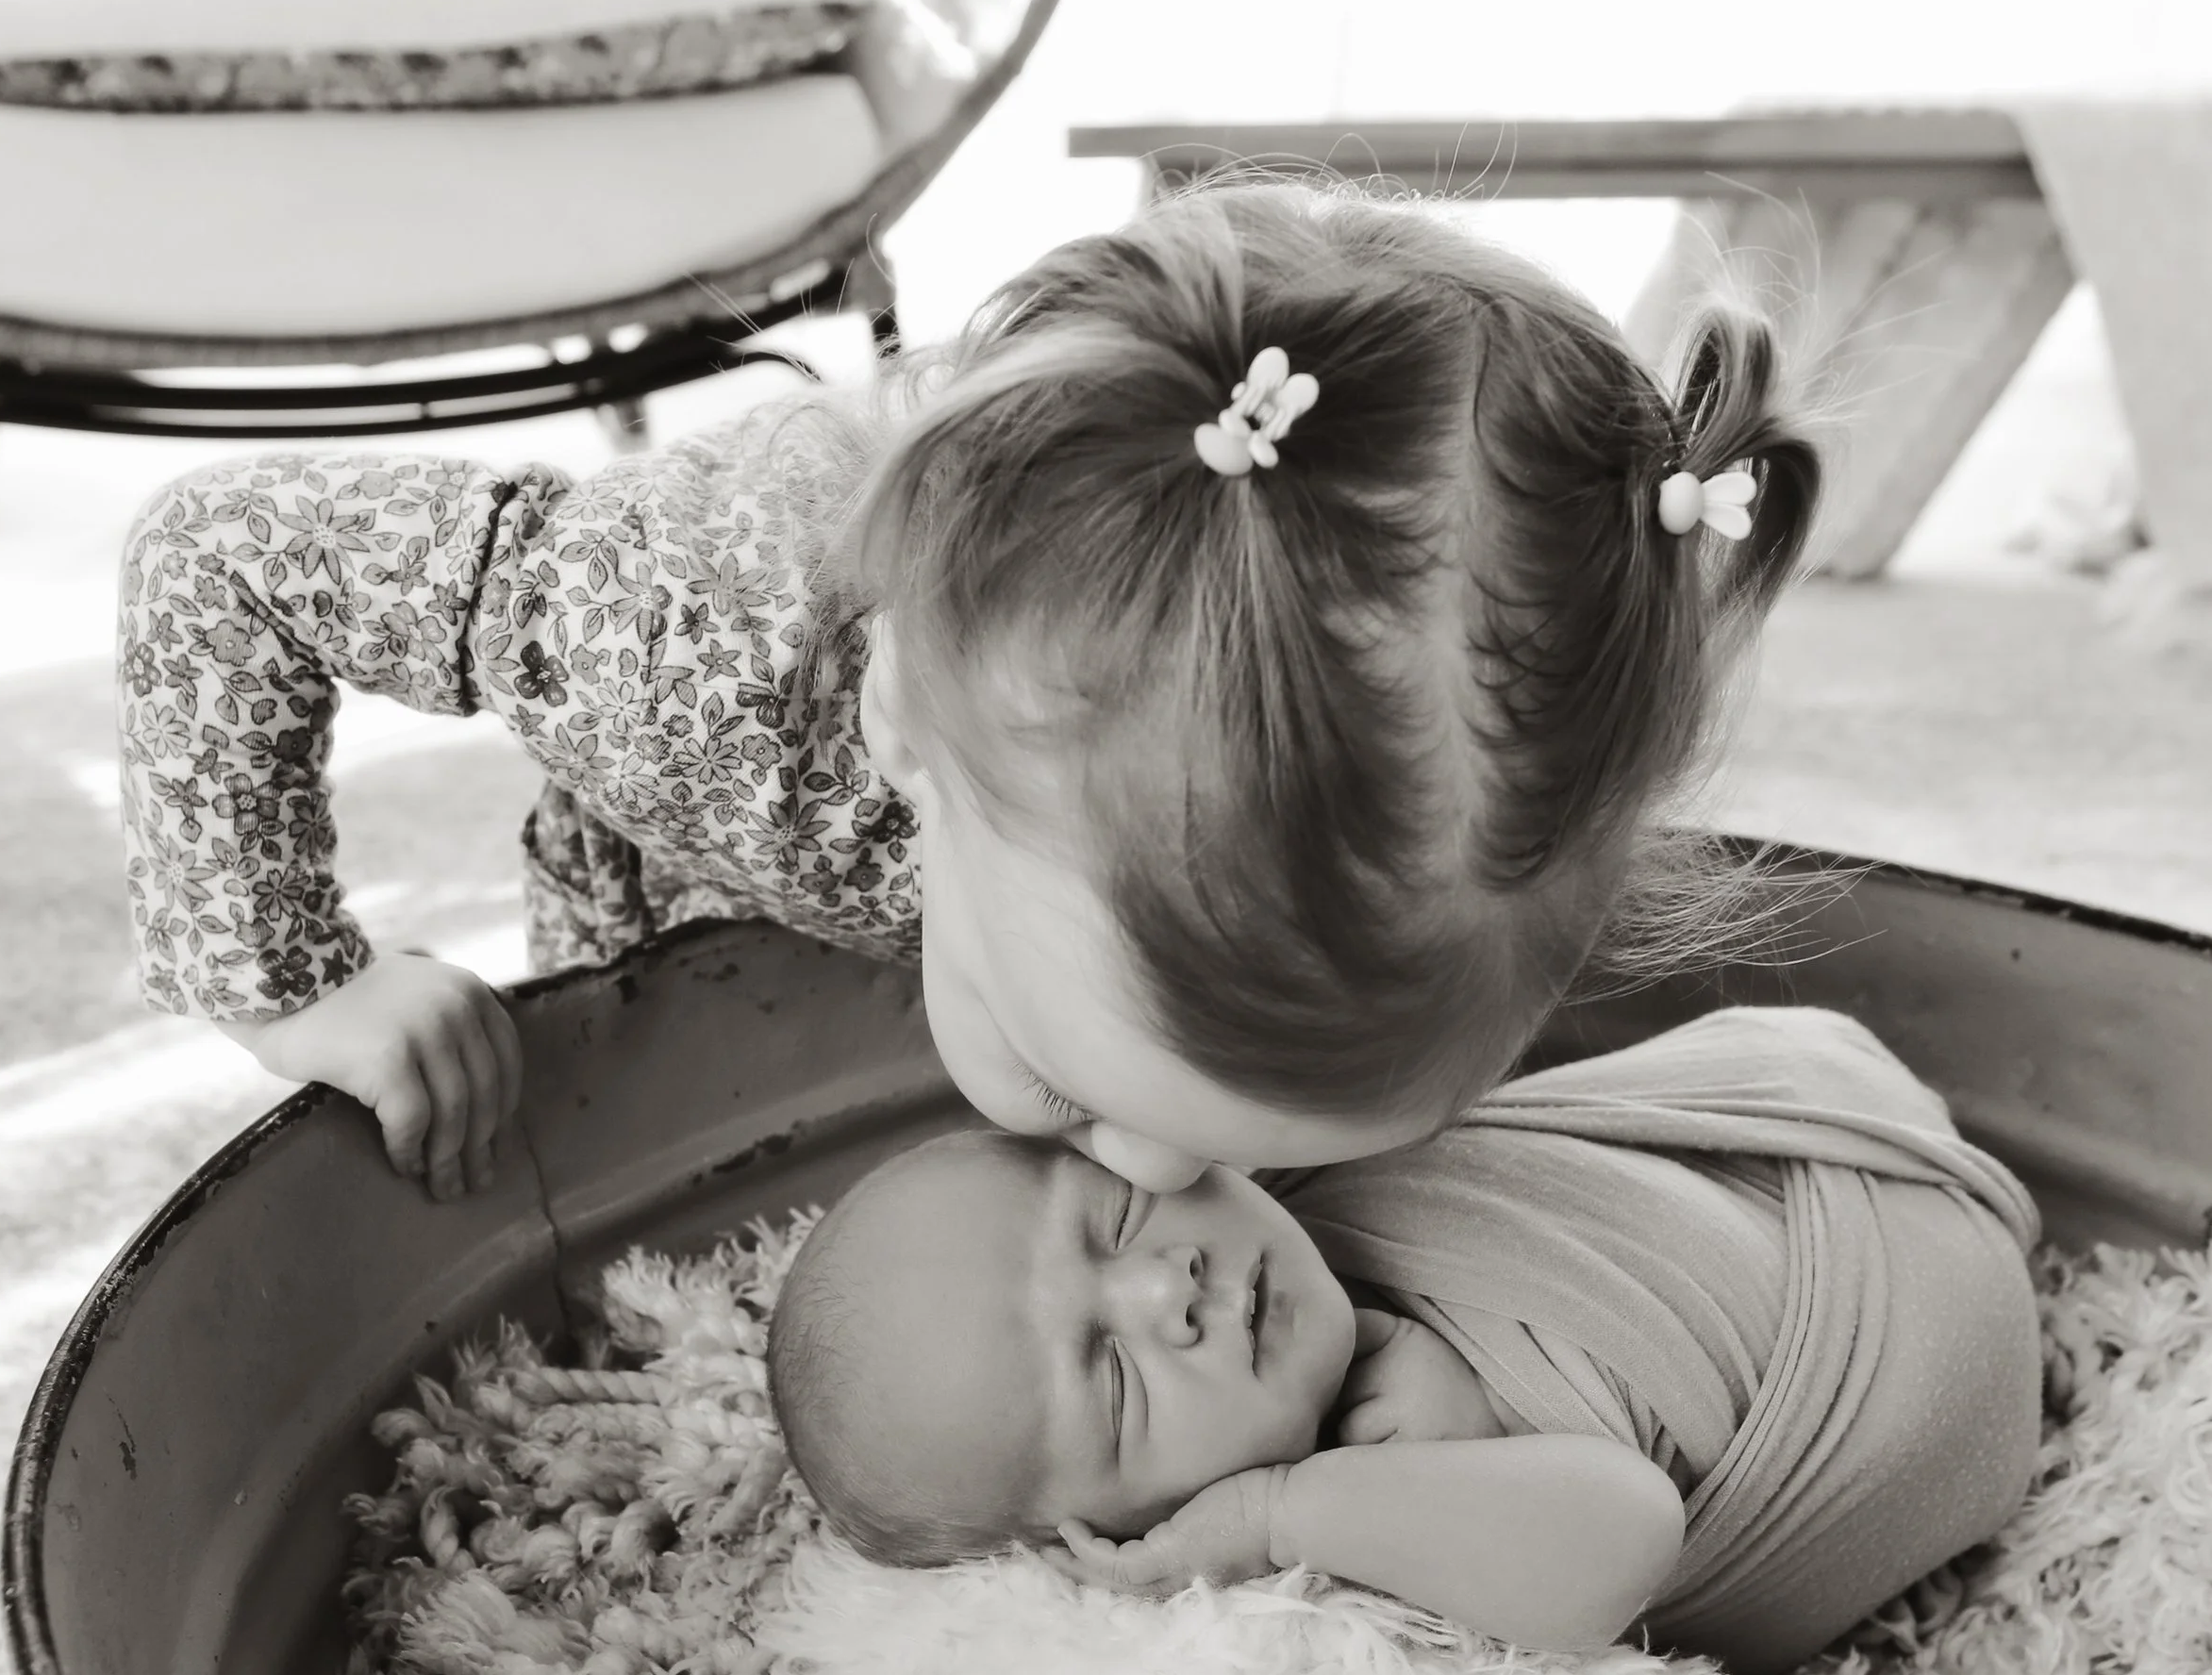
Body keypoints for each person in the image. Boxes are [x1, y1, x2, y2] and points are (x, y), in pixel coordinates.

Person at [117, 177, 1821, 1206]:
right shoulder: (659, 630)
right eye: (1087, 1097)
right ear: (900, 729)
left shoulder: (1501, 788)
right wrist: (294, 983)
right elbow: (223, 556)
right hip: (697, 866)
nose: (1147, 1181)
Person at [764, 1006, 2043, 1675]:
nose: (1169, 1290)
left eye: (1115, 1215)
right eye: (1112, 1377)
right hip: (1899, 1367)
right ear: (1104, 1533)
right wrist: (1288, 1508)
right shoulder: (1321, 1574)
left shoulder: (1306, 1187)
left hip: (1814, 1166)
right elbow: (1631, 1527)